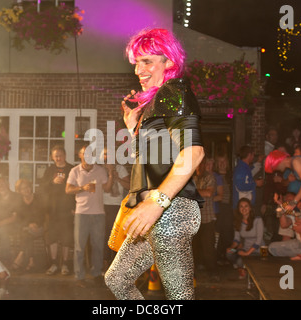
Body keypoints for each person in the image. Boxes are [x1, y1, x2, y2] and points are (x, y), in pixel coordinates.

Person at [104, 28, 205, 300]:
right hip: (156, 211)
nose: (139, 69)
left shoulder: (173, 91)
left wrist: (156, 202)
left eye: (147, 61)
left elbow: (193, 153)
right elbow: (153, 158)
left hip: (171, 209)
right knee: (116, 279)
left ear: (169, 62)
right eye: (137, 62)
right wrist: (133, 129)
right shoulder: (156, 101)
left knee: (180, 298)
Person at [66, 145, 112, 286]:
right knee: (80, 246)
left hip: (98, 213)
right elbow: (68, 189)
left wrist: (110, 173)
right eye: (84, 154)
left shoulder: (100, 170)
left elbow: (108, 188)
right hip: (82, 213)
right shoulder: (75, 171)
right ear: (80, 155)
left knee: (98, 245)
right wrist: (82, 188)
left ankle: (96, 273)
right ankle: (79, 275)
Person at [40, 145, 75, 276]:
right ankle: (54, 264)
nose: (58, 158)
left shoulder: (71, 169)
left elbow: (77, 189)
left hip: (67, 209)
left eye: (60, 155)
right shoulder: (49, 171)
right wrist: (52, 182)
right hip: (52, 209)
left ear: (65, 155)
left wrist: (74, 207)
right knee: (52, 237)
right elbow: (42, 188)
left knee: (66, 238)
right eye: (56, 156)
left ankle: (65, 265)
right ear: (52, 158)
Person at [268, 192, 301, 259]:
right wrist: (280, 205)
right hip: (299, 244)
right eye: (286, 200)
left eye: (290, 200)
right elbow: (284, 225)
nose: (288, 201)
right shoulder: (294, 214)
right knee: (272, 247)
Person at [101, 148, 130, 269]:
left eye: (109, 154)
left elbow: (129, 186)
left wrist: (117, 178)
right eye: (105, 154)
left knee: (116, 235)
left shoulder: (120, 168)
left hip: (117, 206)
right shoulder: (99, 170)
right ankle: (105, 263)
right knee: (105, 235)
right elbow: (105, 189)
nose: (107, 156)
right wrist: (110, 174)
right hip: (103, 206)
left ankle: (115, 263)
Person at [11, 179, 46, 272]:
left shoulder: (38, 198)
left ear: (30, 187)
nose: (26, 190)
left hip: (40, 227)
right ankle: (31, 261)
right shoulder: (19, 202)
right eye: (23, 189)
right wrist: (28, 224)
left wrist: (36, 224)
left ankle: (20, 256)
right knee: (27, 234)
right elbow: (18, 219)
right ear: (19, 191)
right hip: (26, 228)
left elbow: (43, 215)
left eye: (27, 187)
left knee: (26, 234)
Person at [226, 198, 264, 280]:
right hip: (244, 249)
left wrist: (247, 253)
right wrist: (232, 248)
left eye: (246, 206)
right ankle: (240, 268)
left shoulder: (258, 220)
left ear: (250, 208)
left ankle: (242, 268)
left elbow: (258, 241)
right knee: (229, 253)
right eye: (241, 207)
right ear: (238, 209)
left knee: (240, 260)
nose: (244, 209)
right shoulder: (238, 222)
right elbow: (236, 240)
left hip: (256, 251)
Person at [193, 158, 218, 280]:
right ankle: (195, 273)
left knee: (209, 247)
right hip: (193, 219)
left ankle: (213, 272)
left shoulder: (209, 177)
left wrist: (191, 191)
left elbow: (209, 193)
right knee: (194, 247)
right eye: (197, 164)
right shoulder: (192, 178)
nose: (199, 166)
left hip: (207, 218)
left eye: (201, 164)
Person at [214, 154, 234, 264]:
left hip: (229, 207)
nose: (222, 164)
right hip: (219, 207)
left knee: (228, 233)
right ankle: (218, 257)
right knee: (219, 233)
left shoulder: (231, 176)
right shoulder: (214, 176)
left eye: (224, 161)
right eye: (220, 162)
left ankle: (228, 257)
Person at [232, 145, 264, 210]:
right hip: (241, 206)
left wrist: (259, 162)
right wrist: (255, 184)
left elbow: (251, 171)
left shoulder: (244, 167)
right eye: (253, 155)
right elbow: (240, 186)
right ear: (249, 155)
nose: (253, 157)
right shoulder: (241, 169)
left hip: (245, 205)